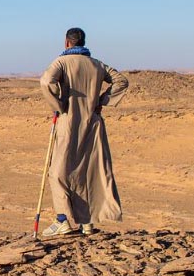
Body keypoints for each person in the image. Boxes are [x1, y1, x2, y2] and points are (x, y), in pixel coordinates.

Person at [39, 27, 129, 236]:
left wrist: (59, 105)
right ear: (83, 42)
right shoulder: (97, 64)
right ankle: (86, 222)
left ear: (66, 42)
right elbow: (121, 81)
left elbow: (46, 81)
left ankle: (62, 219)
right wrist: (101, 101)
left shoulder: (61, 62)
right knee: (88, 170)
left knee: (58, 172)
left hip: (69, 121)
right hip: (93, 122)